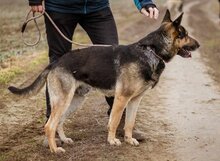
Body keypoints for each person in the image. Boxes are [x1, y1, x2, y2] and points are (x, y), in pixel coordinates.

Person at [28, 0, 159, 141]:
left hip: (97, 7)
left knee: (114, 61)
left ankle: (119, 122)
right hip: (60, 7)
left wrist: (144, 2)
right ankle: (52, 125)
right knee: (58, 65)